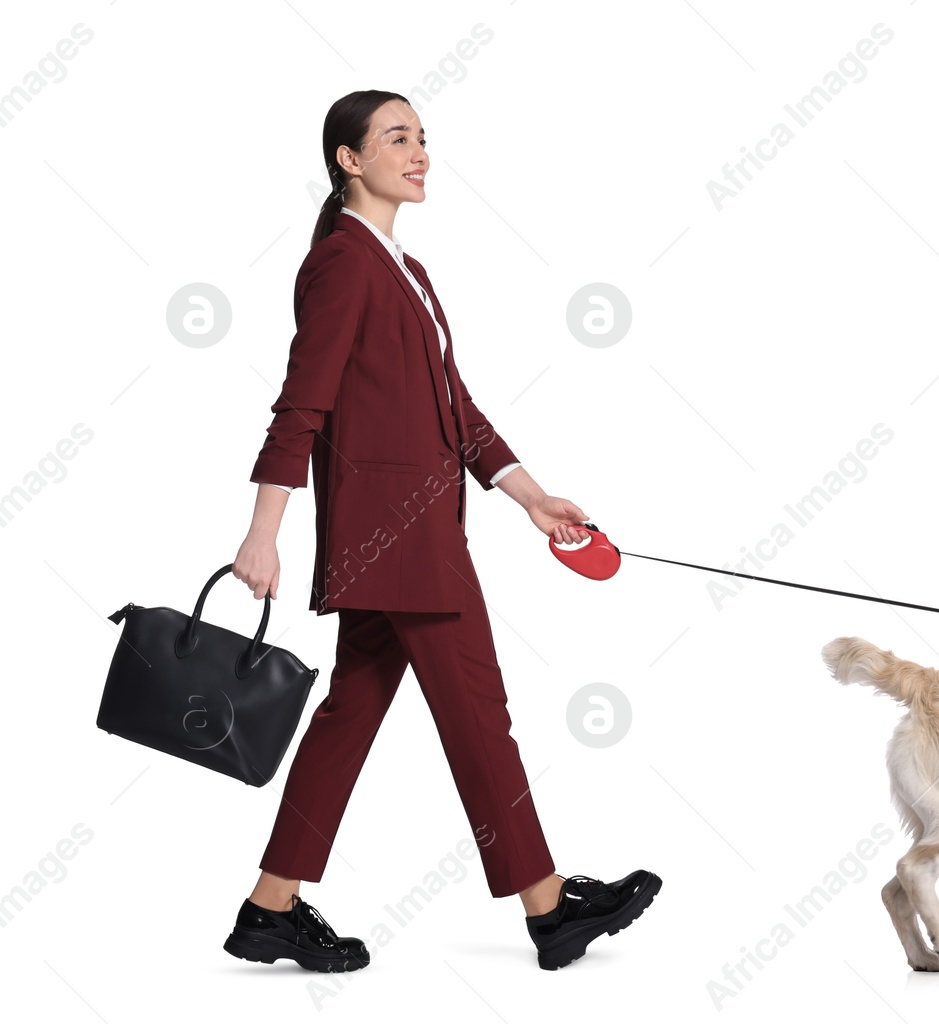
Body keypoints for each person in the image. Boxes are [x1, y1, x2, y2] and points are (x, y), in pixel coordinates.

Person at [223, 89, 659, 973]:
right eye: (397, 138)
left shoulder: (409, 272)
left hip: (411, 538)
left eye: (423, 138)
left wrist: (531, 495)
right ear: (349, 159)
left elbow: (454, 408)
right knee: (478, 712)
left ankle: (270, 907)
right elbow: (300, 403)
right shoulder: (343, 263)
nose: (420, 152)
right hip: (403, 544)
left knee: (349, 716)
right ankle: (548, 905)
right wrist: (262, 531)